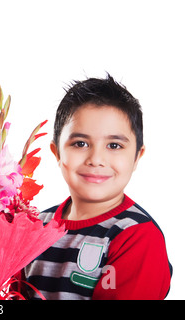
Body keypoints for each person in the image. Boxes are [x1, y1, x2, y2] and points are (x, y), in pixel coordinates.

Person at [24, 75, 172, 300]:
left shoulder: (137, 236)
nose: (96, 159)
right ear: (56, 153)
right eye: (80, 144)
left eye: (114, 145)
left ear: (137, 157)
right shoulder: (33, 226)